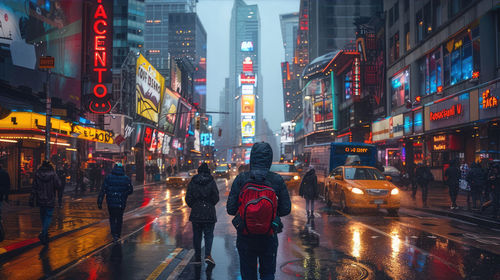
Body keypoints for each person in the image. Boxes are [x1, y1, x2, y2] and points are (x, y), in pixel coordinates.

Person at [227, 142, 291, 280]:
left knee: (248, 274)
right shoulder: (276, 179)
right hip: (269, 235)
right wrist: (270, 213)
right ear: (269, 158)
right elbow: (286, 209)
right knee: (267, 273)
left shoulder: (241, 179)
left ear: (252, 158)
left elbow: (230, 209)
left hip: (245, 235)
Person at [185, 163, 219, 266]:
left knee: (197, 235)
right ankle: (208, 255)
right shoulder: (211, 181)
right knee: (208, 235)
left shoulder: (193, 181)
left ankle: (198, 256)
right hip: (209, 212)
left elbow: (188, 198)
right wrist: (209, 204)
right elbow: (216, 197)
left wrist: (195, 205)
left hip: (196, 213)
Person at [97, 163, 133, 242]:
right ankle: (118, 234)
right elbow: (130, 190)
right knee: (119, 218)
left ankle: (114, 234)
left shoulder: (108, 178)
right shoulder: (126, 178)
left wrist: (99, 202)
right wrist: (124, 194)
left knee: (112, 218)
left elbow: (103, 190)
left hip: (111, 202)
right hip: (121, 202)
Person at [30, 161, 61, 245]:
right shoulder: (53, 174)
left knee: (43, 216)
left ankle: (45, 234)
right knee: (48, 216)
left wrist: (32, 197)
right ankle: (43, 233)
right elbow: (58, 185)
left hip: (40, 198)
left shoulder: (37, 174)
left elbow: (34, 187)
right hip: (50, 198)